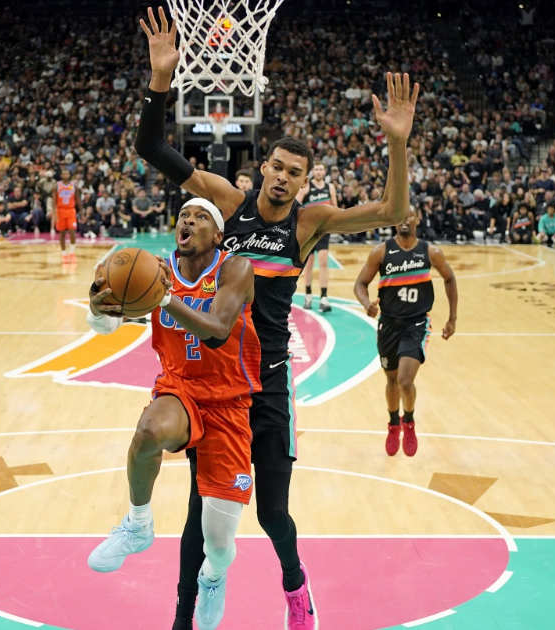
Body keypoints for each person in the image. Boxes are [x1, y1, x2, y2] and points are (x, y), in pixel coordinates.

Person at [135, 8, 417, 628]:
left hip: (268, 383)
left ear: (305, 182)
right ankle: (183, 617)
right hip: (217, 385)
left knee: (272, 514)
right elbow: (151, 147)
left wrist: (396, 142)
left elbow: (394, 209)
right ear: (263, 167)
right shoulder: (227, 202)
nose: (285, 179)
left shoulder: (309, 224)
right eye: (278, 168)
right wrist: (160, 79)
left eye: (296, 173)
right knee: (198, 508)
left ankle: (295, 587)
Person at [86, 198, 260, 630]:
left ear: (217, 235)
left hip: (229, 402)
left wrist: (163, 298)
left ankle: (213, 576)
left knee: (219, 545)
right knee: (148, 431)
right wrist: (98, 307)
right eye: (184, 215)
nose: (189, 220)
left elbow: (217, 331)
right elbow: (107, 325)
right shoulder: (155, 271)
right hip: (180, 387)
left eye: (201, 217)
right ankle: (137, 525)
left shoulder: (235, 269)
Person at [353, 208, 457, 457]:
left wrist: (452, 318)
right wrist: (367, 304)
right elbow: (360, 283)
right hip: (388, 324)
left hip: (416, 325)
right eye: (400, 215)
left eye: (410, 215)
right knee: (391, 381)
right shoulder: (381, 252)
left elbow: (450, 278)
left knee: (405, 381)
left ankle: (408, 422)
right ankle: (393, 424)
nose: (405, 219)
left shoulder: (430, 252)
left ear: (418, 219)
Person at [296, 164, 340, 312]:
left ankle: (324, 297)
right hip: (309, 231)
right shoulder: (306, 187)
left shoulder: (330, 187)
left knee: (323, 262)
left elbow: (335, 208)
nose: (319, 172)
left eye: (321, 169)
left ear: (325, 171)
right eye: (316, 169)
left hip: (323, 231)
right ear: (312, 171)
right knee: (308, 264)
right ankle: (308, 295)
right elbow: (296, 206)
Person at [52, 170, 80, 263]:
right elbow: (54, 201)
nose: (65, 175)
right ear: (61, 175)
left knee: (72, 231)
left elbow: (78, 200)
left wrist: (82, 211)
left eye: (67, 173)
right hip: (60, 210)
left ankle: (72, 253)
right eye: (63, 173)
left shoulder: (74, 186)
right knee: (62, 233)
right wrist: (54, 213)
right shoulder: (57, 186)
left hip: (71, 210)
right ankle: (64, 254)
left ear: (69, 175)